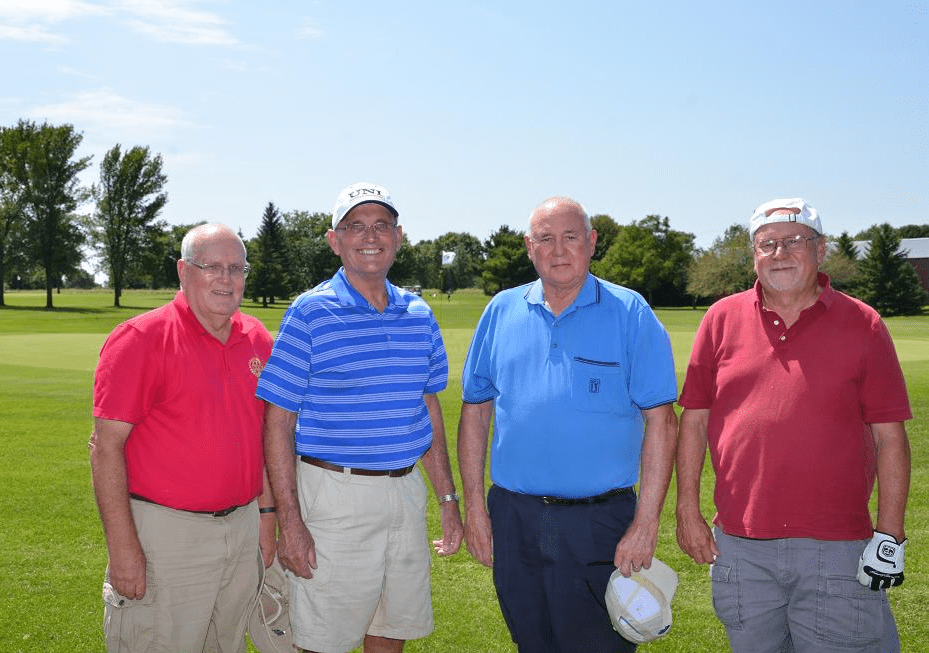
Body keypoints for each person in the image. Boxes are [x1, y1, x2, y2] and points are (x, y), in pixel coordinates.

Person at [675, 198, 912, 653]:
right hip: (741, 548)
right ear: (754, 255)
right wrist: (687, 509)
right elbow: (695, 422)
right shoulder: (720, 319)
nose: (779, 254)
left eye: (793, 242)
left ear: (820, 250)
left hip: (837, 546)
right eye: (767, 245)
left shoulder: (864, 324)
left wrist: (890, 532)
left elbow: (890, 438)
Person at [457, 196, 678, 652]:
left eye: (570, 237)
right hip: (514, 516)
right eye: (546, 238)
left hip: (601, 522)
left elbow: (661, 421)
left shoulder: (630, 312)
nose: (558, 250)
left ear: (592, 242)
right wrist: (477, 509)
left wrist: (646, 523)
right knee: (531, 643)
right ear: (529, 246)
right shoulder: (500, 310)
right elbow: (476, 411)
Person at [257, 182, 463, 653]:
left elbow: (427, 408)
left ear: (398, 236)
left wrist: (447, 499)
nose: (370, 236)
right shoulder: (309, 313)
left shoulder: (419, 313)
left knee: (391, 633)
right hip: (334, 498)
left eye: (381, 225)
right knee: (321, 642)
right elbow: (278, 422)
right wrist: (291, 521)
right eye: (355, 226)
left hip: (405, 494)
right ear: (335, 240)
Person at [90, 223, 282, 652]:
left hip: (242, 526)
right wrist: (124, 550)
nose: (226, 279)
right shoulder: (141, 338)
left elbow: (264, 438)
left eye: (237, 268)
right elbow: (105, 448)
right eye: (211, 267)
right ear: (183, 271)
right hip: (166, 535)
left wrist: (267, 517)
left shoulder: (257, 338)